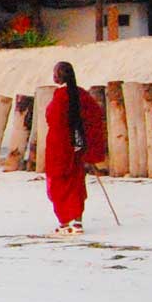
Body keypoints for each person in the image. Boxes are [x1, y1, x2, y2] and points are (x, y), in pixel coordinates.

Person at [43, 61, 108, 235]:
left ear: (59, 76)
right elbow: (95, 114)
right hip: (76, 144)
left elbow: (52, 118)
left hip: (59, 145)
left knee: (59, 182)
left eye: (55, 73)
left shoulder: (61, 96)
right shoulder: (80, 94)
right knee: (76, 182)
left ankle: (64, 222)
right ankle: (77, 222)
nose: (54, 76)